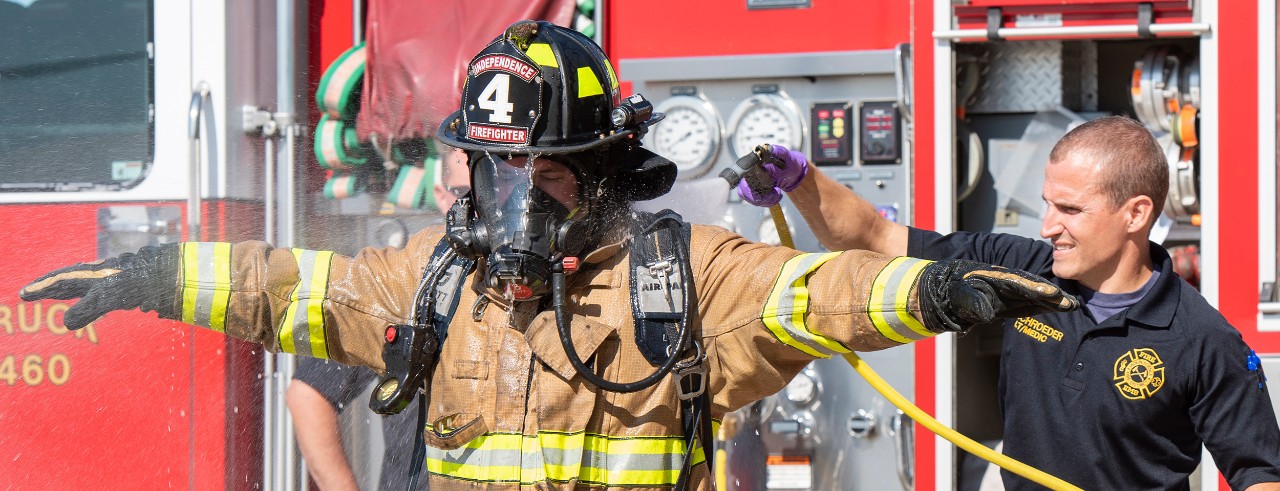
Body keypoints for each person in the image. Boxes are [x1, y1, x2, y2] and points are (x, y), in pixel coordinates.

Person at [19, 20, 1078, 490]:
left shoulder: (686, 277)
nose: (511, 205)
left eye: (544, 177)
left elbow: (815, 293)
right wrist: (159, 273)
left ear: (609, 172)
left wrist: (935, 288)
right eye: (493, 177)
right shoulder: (433, 277)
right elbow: (305, 289)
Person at [741, 116, 1280, 490]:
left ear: (1136, 214)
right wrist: (800, 181)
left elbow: (1261, 476)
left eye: (1070, 209)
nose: (1049, 227)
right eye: (1047, 204)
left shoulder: (1202, 338)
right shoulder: (1020, 267)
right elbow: (874, 237)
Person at [285, 144, 468, 491]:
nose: (481, 205)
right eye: (465, 193)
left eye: (494, 187)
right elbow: (307, 394)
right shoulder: (406, 282)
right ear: (442, 196)